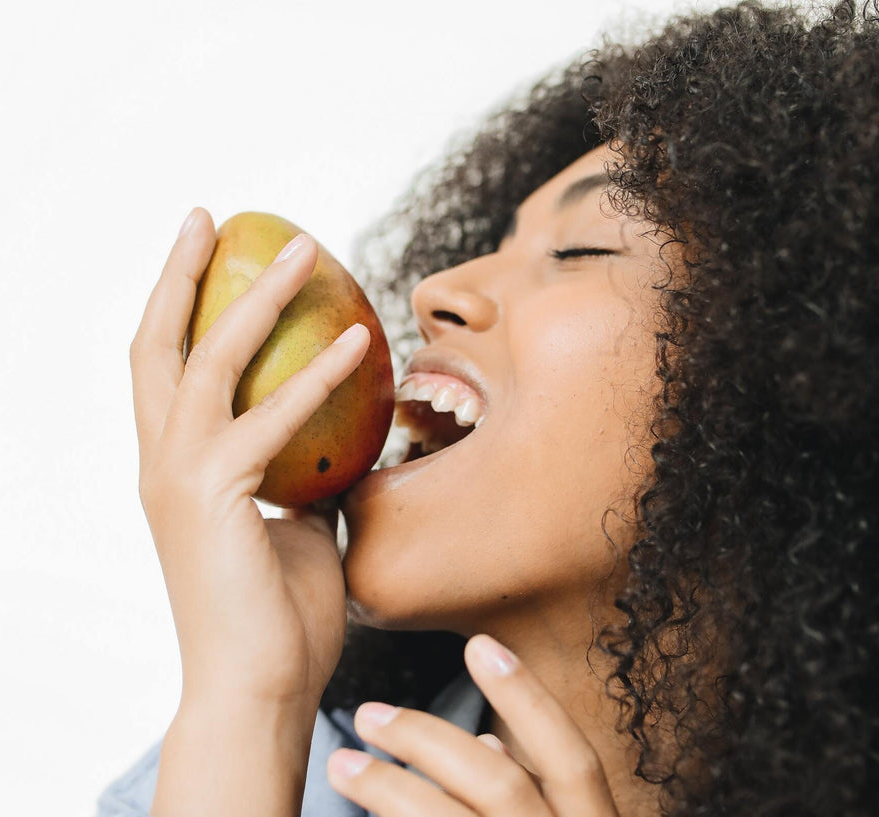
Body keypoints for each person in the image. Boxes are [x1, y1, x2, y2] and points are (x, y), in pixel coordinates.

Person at [98, 1, 878, 815]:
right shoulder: (230, 771)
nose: (437, 291)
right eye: (494, 241)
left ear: (794, 384)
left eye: (580, 249)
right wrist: (250, 707)